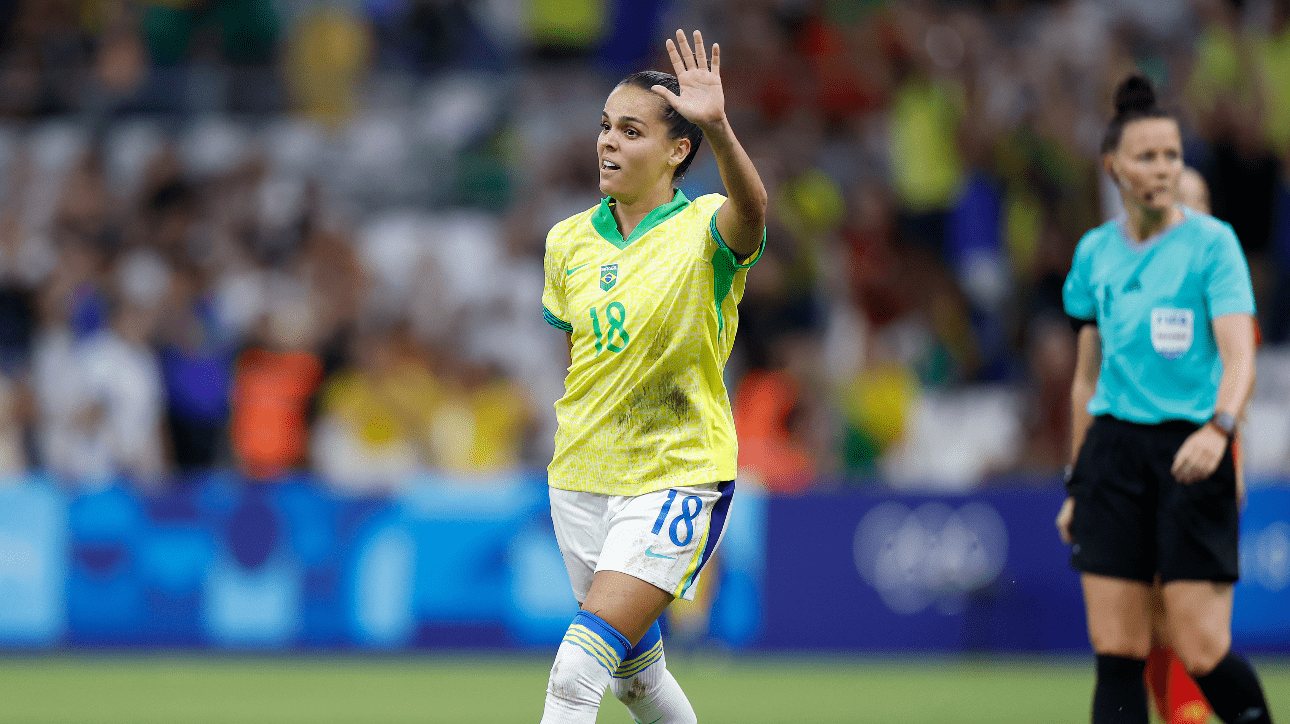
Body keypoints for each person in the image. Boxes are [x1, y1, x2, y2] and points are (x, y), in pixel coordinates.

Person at [538, 29, 766, 724]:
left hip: (675, 474)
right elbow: (579, 356)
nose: (608, 142)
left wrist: (720, 127)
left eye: (631, 131)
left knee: (576, 673)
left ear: (677, 150)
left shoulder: (703, 228)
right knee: (637, 682)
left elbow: (753, 216)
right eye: (605, 127)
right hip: (580, 481)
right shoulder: (567, 240)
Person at [1056, 75, 1273, 724]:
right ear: (1113, 167)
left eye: (1172, 156)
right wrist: (1076, 483)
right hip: (1113, 457)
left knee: (1201, 648)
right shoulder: (1094, 254)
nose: (1162, 169)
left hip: (1192, 453)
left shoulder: (1213, 245)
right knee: (1116, 649)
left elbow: (1240, 355)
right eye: (1147, 156)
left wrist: (1220, 430)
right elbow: (1085, 382)